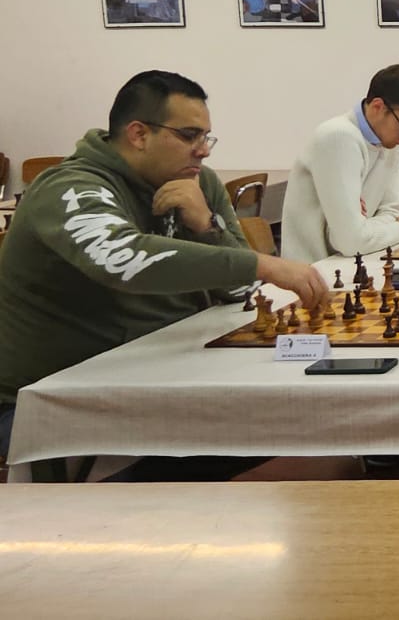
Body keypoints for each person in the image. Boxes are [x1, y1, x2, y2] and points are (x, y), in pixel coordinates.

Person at [0, 70, 327, 458]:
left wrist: (207, 226)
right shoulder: (70, 188)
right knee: (295, 442)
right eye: (189, 136)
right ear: (139, 134)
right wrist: (263, 264)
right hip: (49, 403)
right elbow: (122, 260)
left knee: (309, 424)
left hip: (159, 376)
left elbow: (240, 291)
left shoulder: (199, 183)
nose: (203, 151)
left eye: (206, 137)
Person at [281, 65, 399, 262]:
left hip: (359, 259)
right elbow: (351, 242)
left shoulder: (389, 142)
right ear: (378, 107)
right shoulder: (337, 137)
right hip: (316, 270)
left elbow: (394, 210)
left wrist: (364, 227)